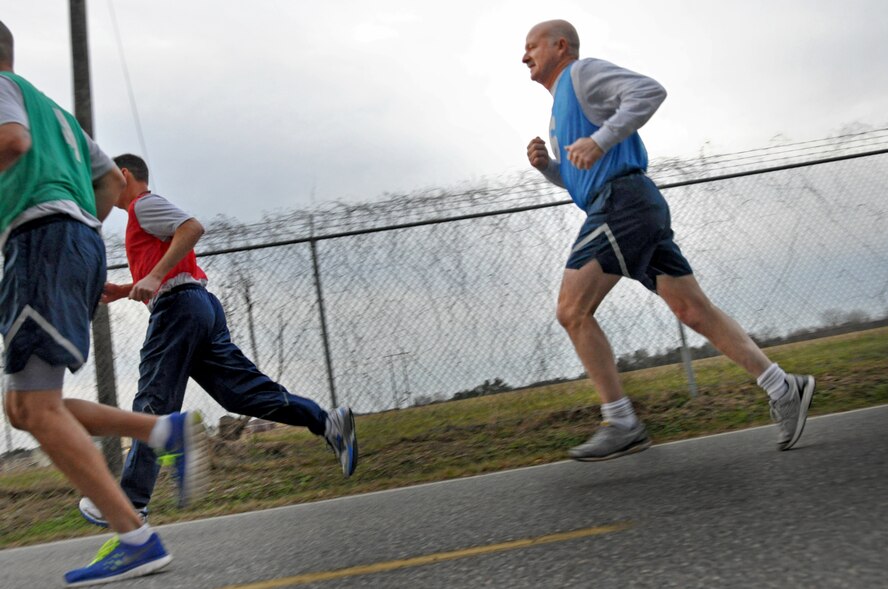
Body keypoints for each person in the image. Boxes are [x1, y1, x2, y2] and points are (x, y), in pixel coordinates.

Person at [522, 20, 815, 461]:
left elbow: (649, 91)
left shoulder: (581, 75)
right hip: (628, 205)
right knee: (693, 310)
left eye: (531, 47)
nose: (524, 56)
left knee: (571, 310)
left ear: (560, 46)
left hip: (622, 204)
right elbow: (580, 176)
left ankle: (621, 422)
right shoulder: (560, 108)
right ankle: (783, 386)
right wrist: (550, 168)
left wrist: (601, 140)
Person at [0, 21, 209, 587]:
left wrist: (58, 230)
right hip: (64, 242)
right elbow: (113, 183)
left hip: (41, 242)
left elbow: (10, 142)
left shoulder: (3, 91)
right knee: (22, 408)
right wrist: (80, 229)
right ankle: (162, 432)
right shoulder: (57, 114)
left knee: (37, 409)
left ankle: (136, 539)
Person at [76, 153, 358, 527]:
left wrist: (154, 277)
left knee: (152, 402)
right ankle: (326, 422)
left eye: (103, 180)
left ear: (124, 175)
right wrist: (127, 287)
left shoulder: (145, 205)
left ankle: (130, 502)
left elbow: (192, 228)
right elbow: (174, 266)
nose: (101, 190)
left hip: (179, 309)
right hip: (197, 306)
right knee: (240, 394)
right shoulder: (141, 217)